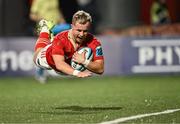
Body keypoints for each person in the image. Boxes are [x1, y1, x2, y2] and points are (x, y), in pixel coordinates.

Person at [33, 10, 104, 78]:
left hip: (66, 67)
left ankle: (51, 36)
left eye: (85, 31)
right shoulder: (60, 39)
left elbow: (100, 69)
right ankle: (45, 29)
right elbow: (59, 65)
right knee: (36, 57)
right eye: (79, 30)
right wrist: (77, 73)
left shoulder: (94, 42)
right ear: (72, 26)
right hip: (48, 59)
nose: (81, 34)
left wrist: (84, 61)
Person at [29, 0, 70, 82]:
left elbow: (57, 11)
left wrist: (62, 20)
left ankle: (41, 73)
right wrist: (42, 19)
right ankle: (40, 74)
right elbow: (32, 15)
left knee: (48, 51)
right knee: (68, 27)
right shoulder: (38, 1)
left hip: (55, 27)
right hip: (45, 29)